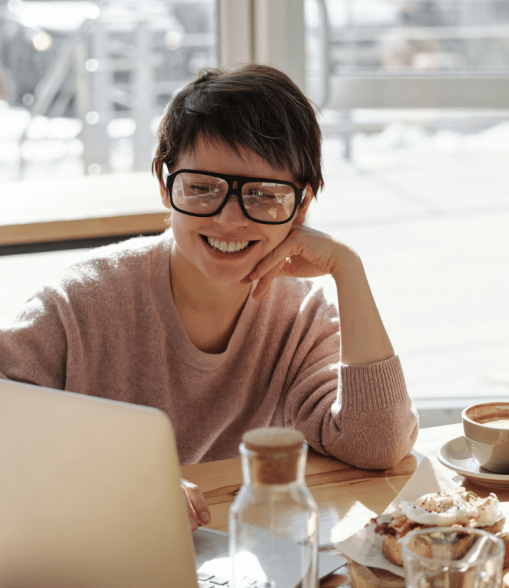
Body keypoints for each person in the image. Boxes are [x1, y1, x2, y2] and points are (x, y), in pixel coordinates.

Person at [0, 65, 419, 531]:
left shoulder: (300, 316)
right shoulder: (80, 301)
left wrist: (348, 268)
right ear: (165, 183)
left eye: (263, 195)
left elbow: (378, 444)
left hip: (226, 553)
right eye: (202, 188)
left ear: (301, 206)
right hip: (89, 546)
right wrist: (120, 476)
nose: (229, 219)